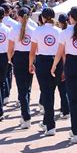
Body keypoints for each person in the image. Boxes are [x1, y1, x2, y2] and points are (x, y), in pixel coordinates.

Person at [51, 6, 77, 144]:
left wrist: (54, 66)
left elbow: (59, 52)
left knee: (73, 99)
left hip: (70, 65)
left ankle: (76, 130)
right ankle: (76, 128)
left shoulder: (65, 32)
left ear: (71, 17)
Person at [29, 8, 62, 136]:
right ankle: (46, 122)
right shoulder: (59, 31)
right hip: (56, 62)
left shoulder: (38, 30)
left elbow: (32, 51)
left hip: (42, 61)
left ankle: (50, 125)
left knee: (46, 93)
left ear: (43, 17)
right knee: (50, 92)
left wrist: (30, 64)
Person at [8, 7, 35, 129]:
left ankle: (26, 116)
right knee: (27, 88)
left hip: (19, 57)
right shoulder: (34, 29)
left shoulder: (14, 29)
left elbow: (10, 48)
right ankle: (25, 114)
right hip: (30, 57)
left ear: (18, 16)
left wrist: (10, 59)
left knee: (22, 89)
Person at [1, 3, 18, 105]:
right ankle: (7, 94)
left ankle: (2, 94)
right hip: (12, 51)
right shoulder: (15, 24)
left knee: (1, 74)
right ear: (9, 11)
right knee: (8, 73)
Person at [56, 13, 70, 118]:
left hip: (62, 61)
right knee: (64, 88)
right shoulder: (69, 31)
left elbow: (62, 52)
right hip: (67, 61)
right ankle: (65, 109)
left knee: (62, 88)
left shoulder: (62, 33)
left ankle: (65, 110)